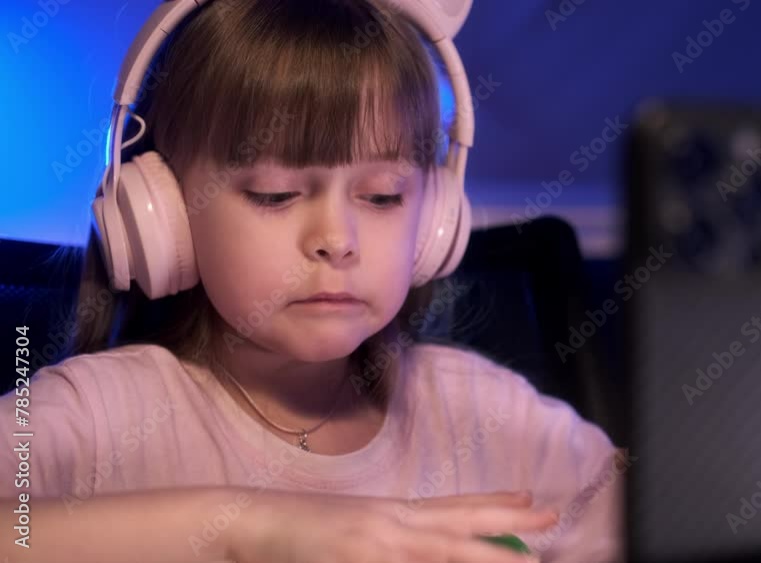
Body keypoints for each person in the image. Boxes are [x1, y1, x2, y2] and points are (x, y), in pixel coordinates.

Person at [0, 1, 625, 561]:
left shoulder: (489, 414)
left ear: (434, 220)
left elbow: (669, 518)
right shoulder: (90, 417)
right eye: (275, 194)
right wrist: (247, 529)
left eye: (382, 197)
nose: (337, 238)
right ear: (161, 212)